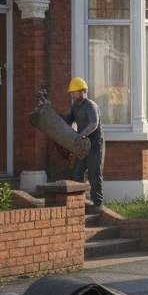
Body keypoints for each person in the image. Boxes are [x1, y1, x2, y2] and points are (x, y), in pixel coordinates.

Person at [62, 77, 104, 209]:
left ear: (82, 92)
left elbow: (94, 123)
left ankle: (98, 203)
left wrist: (81, 135)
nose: (72, 94)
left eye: (74, 92)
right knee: (77, 174)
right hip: (82, 145)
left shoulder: (90, 105)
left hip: (95, 145)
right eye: (71, 92)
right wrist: (53, 117)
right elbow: (67, 118)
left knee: (94, 173)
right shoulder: (75, 106)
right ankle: (79, 202)